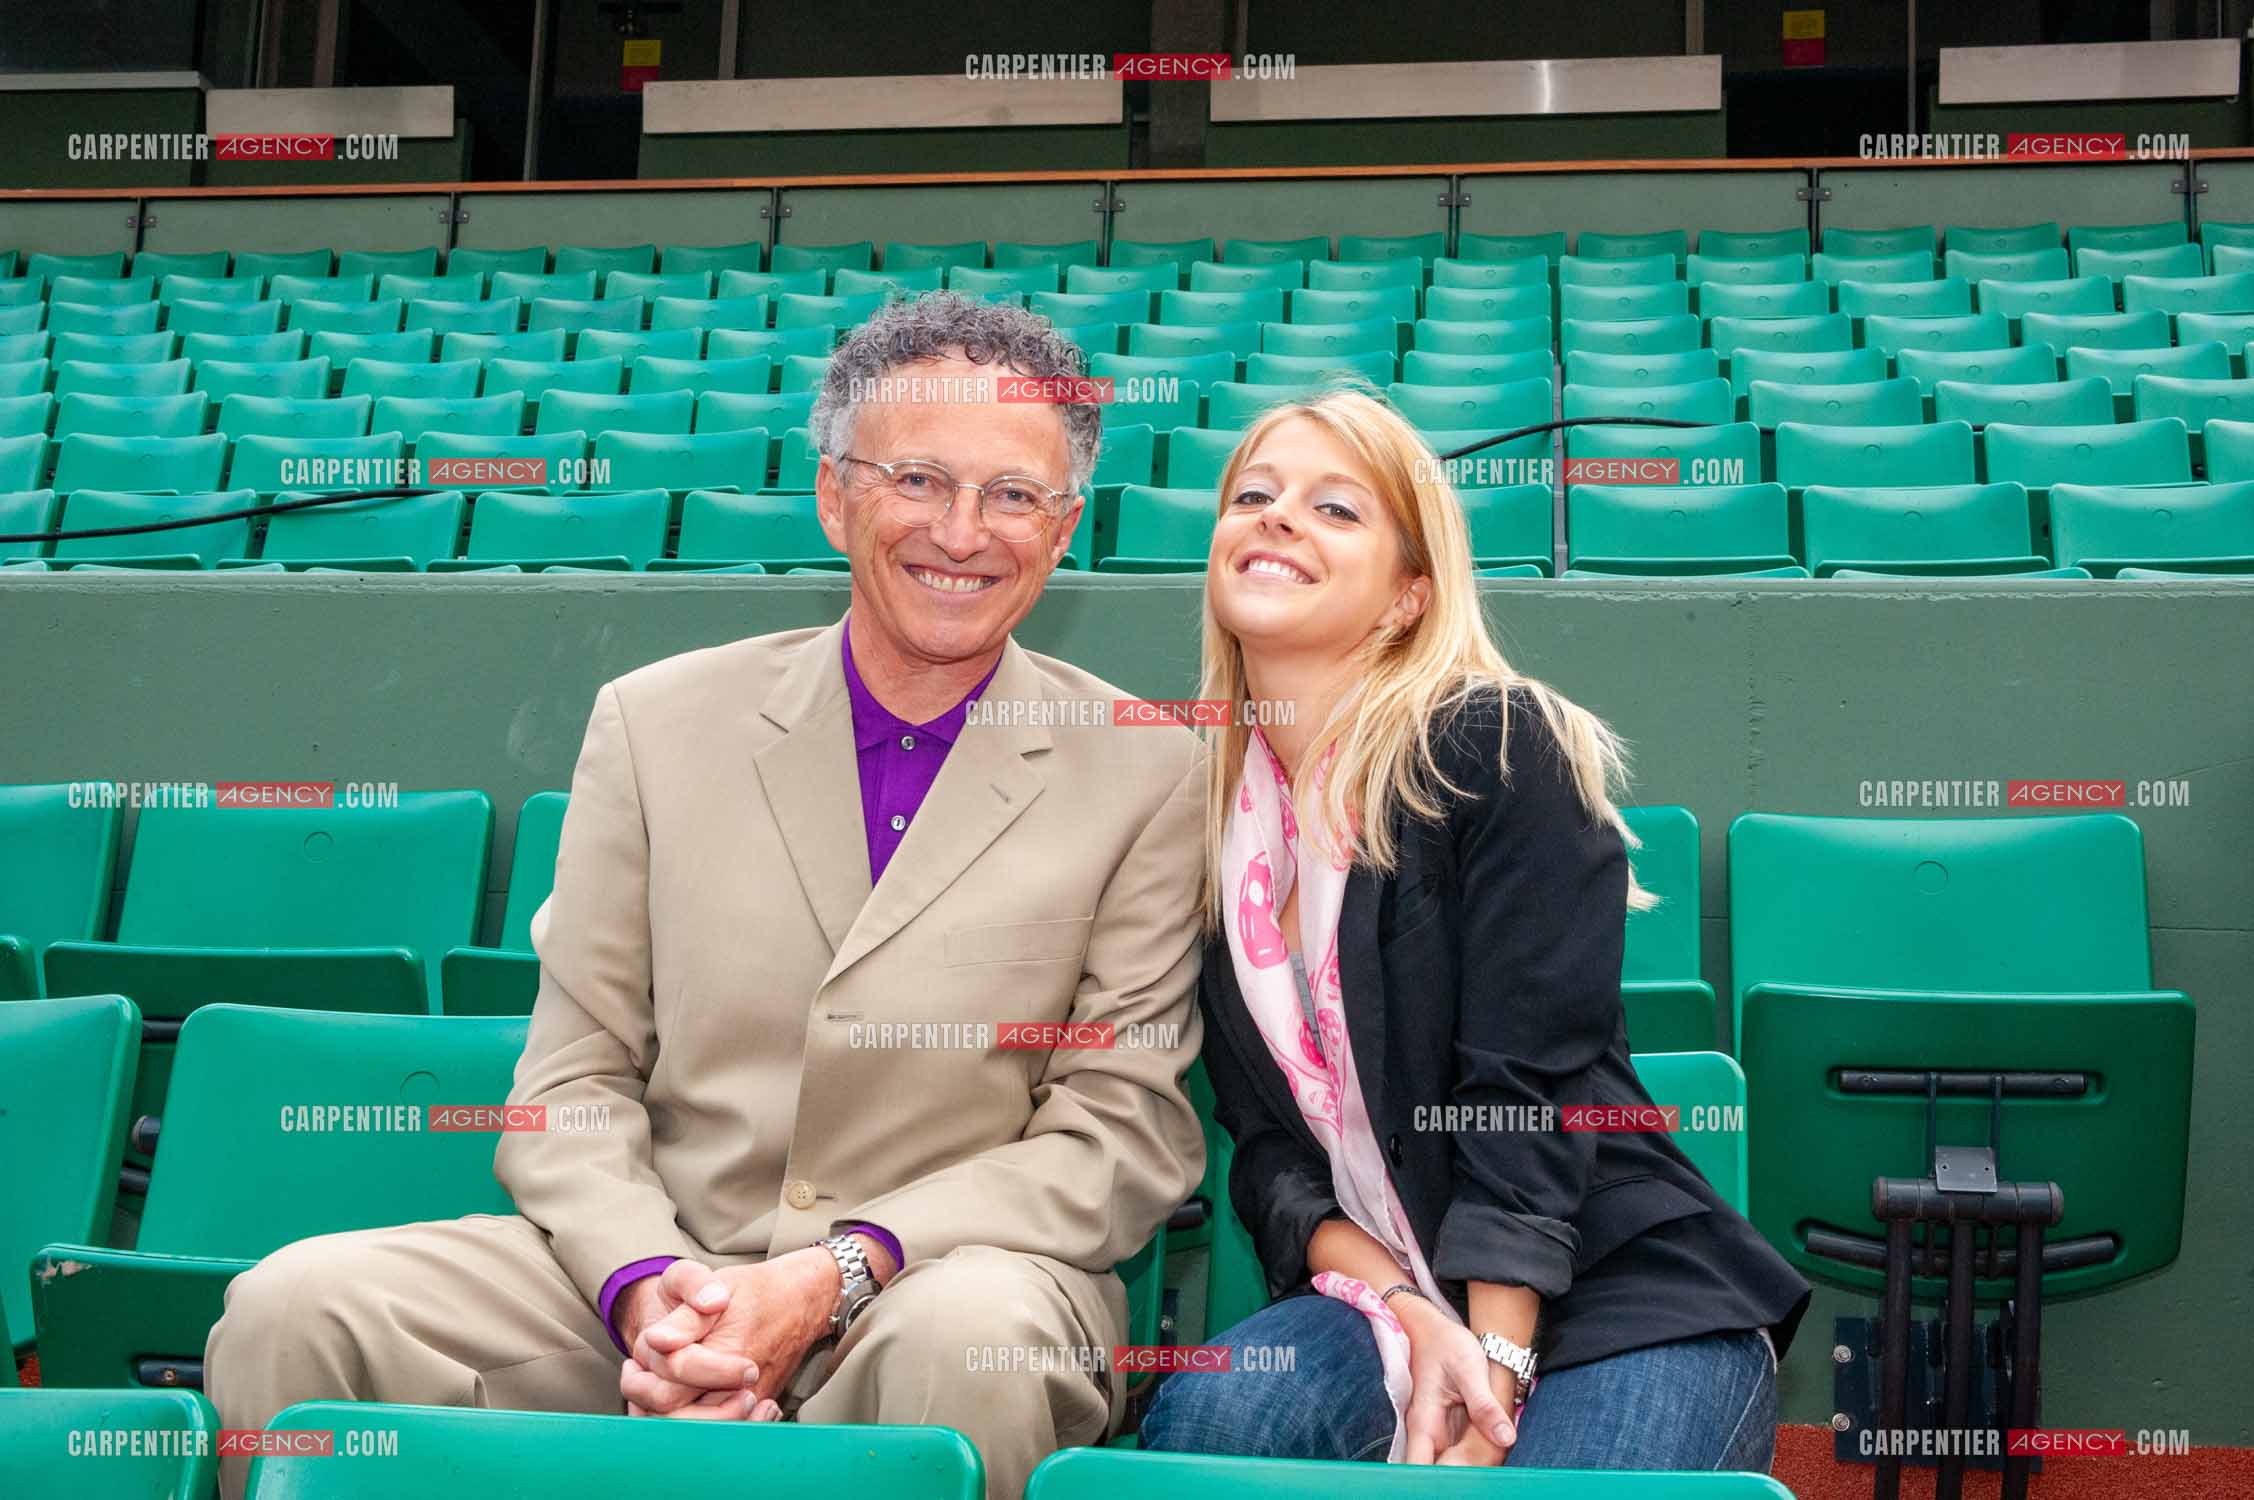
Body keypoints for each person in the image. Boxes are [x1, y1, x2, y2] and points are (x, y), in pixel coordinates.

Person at [206, 293, 1207, 1500]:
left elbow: (1119, 1130)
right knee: (292, 1310)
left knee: (964, 1343)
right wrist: (646, 1286)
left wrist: (838, 1270)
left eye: (1012, 496)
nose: (962, 531)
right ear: (835, 495)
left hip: (937, 1285)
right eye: (919, 480)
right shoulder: (654, 722)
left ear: (1063, 531)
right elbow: (572, 1081)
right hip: (653, 1272)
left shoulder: (1150, 767)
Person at [1137, 389, 1809, 1470]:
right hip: (1387, 1291)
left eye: (1335, 508)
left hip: (1612, 1292)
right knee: (1214, 1423)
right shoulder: (1206, 821)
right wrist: (1412, 1313)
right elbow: (1268, 1159)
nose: (1275, 518)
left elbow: (1517, 1099)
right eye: (1253, 496)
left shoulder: (1491, 747)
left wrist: (1490, 1376)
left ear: (1409, 596)